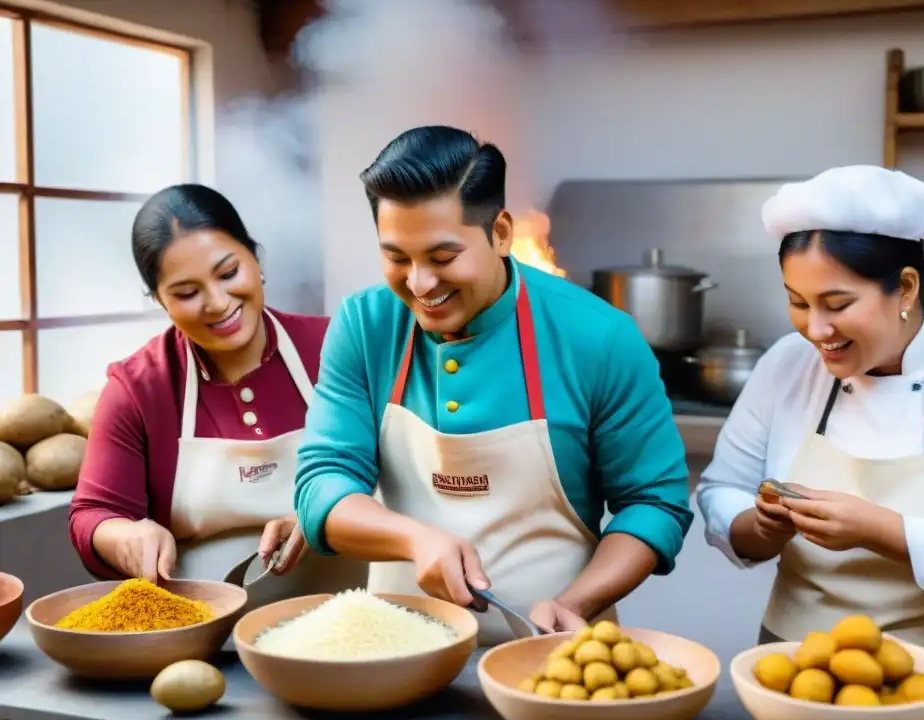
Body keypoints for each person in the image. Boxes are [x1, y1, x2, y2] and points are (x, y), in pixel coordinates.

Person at [293, 125, 693, 644]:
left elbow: (655, 503)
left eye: (442, 258)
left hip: (553, 652)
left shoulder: (600, 337)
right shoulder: (365, 325)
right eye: (396, 258)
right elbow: (322, 484)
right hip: (393, 651)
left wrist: (577, 603)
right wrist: (415, 539)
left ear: (501, 233)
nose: (419, 284)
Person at [695, 165, 924, 684]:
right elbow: (722, 490)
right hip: (805, 670)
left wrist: (881, 530)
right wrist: (759, 526)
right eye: (797, 302)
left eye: (838, 303)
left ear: (906, 288)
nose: (816, 330)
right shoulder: (786, 363)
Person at [68, 184, 367, 607]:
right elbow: (92, 515)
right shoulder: (137, 388)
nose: (217, 302)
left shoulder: (338, 345)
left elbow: (396, 473)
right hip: (207, 638)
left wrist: (327, 509)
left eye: (229, 273)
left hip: (354, 621)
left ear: (255, 258)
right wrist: (126, 534)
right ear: (159, 300)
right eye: (187, 293)